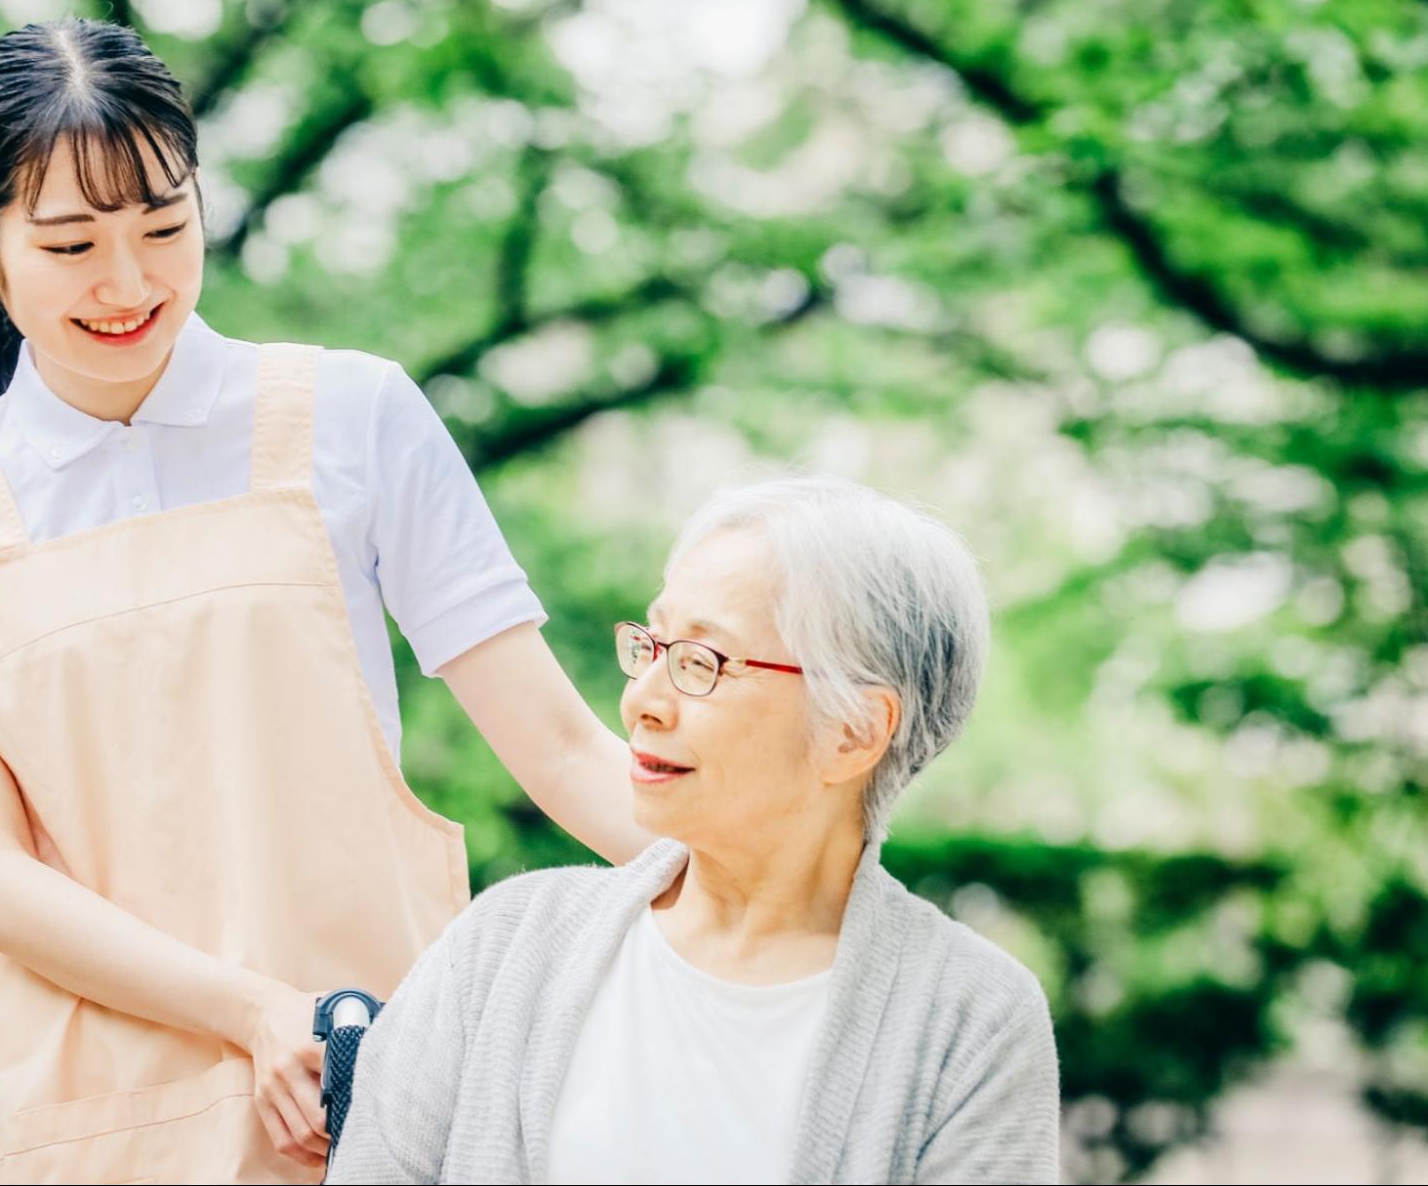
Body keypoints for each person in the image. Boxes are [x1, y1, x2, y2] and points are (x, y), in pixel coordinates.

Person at [0, 19, 650, 1184]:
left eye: (164, 228)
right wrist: (254, 1011)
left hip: (371, 1077)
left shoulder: (355, 417)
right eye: (70, 244)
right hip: (99, 1116)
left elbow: (568, 753)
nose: (128, 284)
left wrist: (803, 895)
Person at [329, 477, 1061, 1185]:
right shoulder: (503, 946)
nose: (641, 700)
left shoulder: (972, 1020)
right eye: (652, 645)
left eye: (699, 662)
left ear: (853, 731)